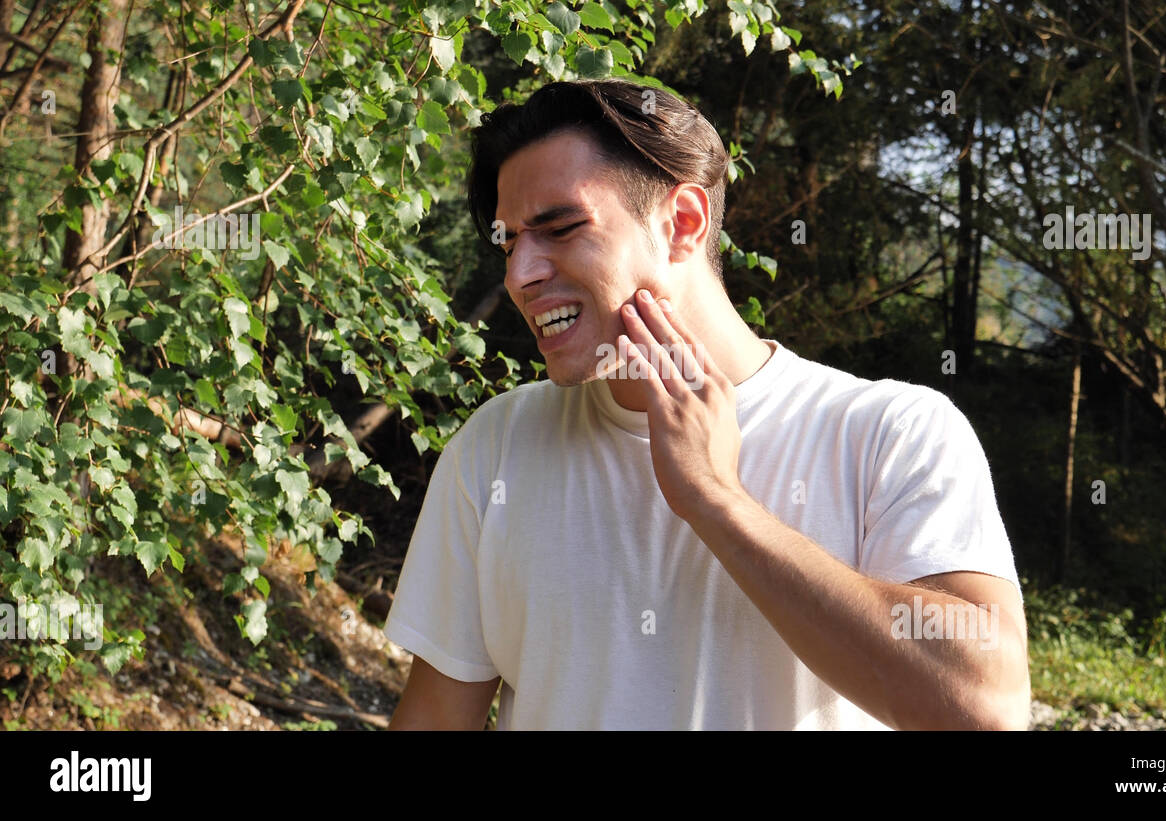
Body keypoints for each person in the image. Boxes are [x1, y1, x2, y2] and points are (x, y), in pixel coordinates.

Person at [384, 79, 1029, 730]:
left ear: (682, 223)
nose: (520, 274)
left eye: (560, 228)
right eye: (510, 241)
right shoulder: (494, 447)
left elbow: (984, 708)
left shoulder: (889, 432)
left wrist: (717, 499)